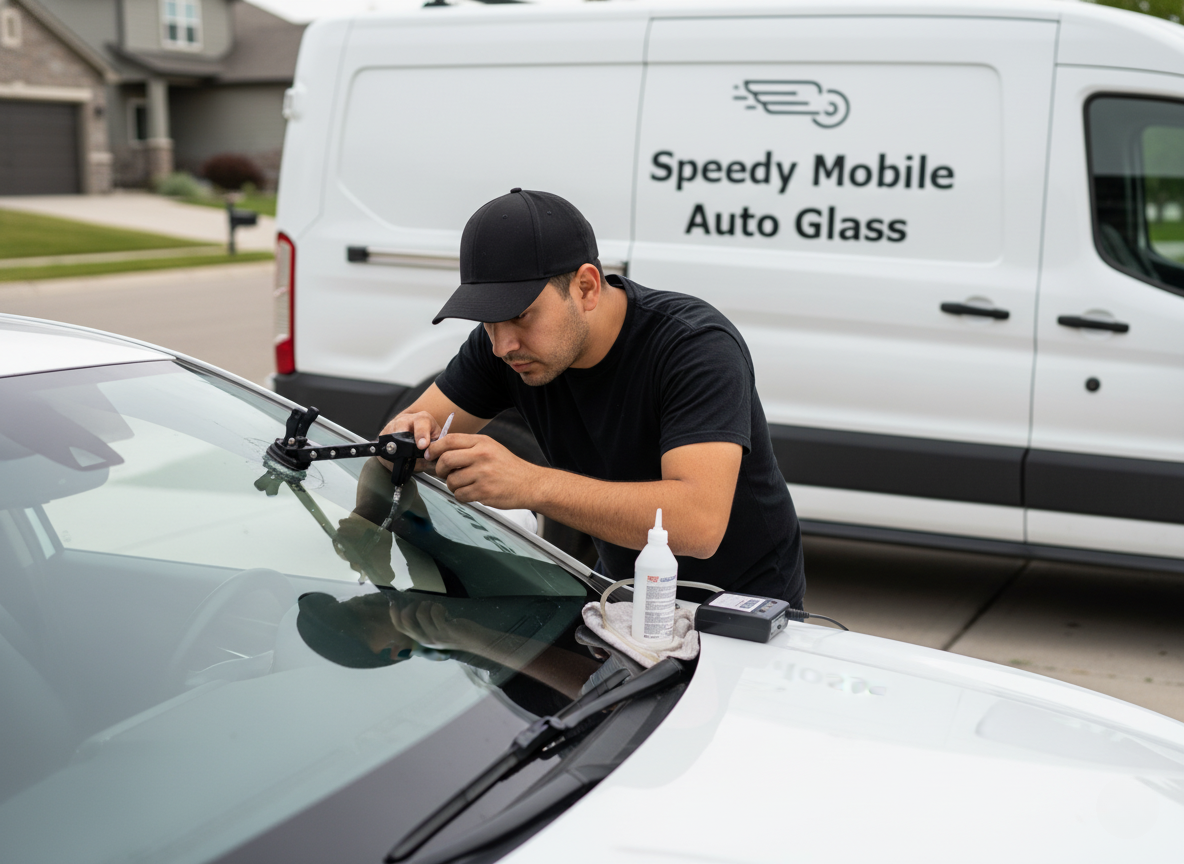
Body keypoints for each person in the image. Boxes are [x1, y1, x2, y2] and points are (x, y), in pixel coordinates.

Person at [385, 188, 805, 606]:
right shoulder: (503, 348)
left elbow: (697, 524)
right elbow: (403, 432)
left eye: (519, 315)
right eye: (488, 320)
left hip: (741, 607)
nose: (502, 345)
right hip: (623, 593)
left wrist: (529, 483)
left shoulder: (695, 346)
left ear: (586, 287)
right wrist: (405, 439)